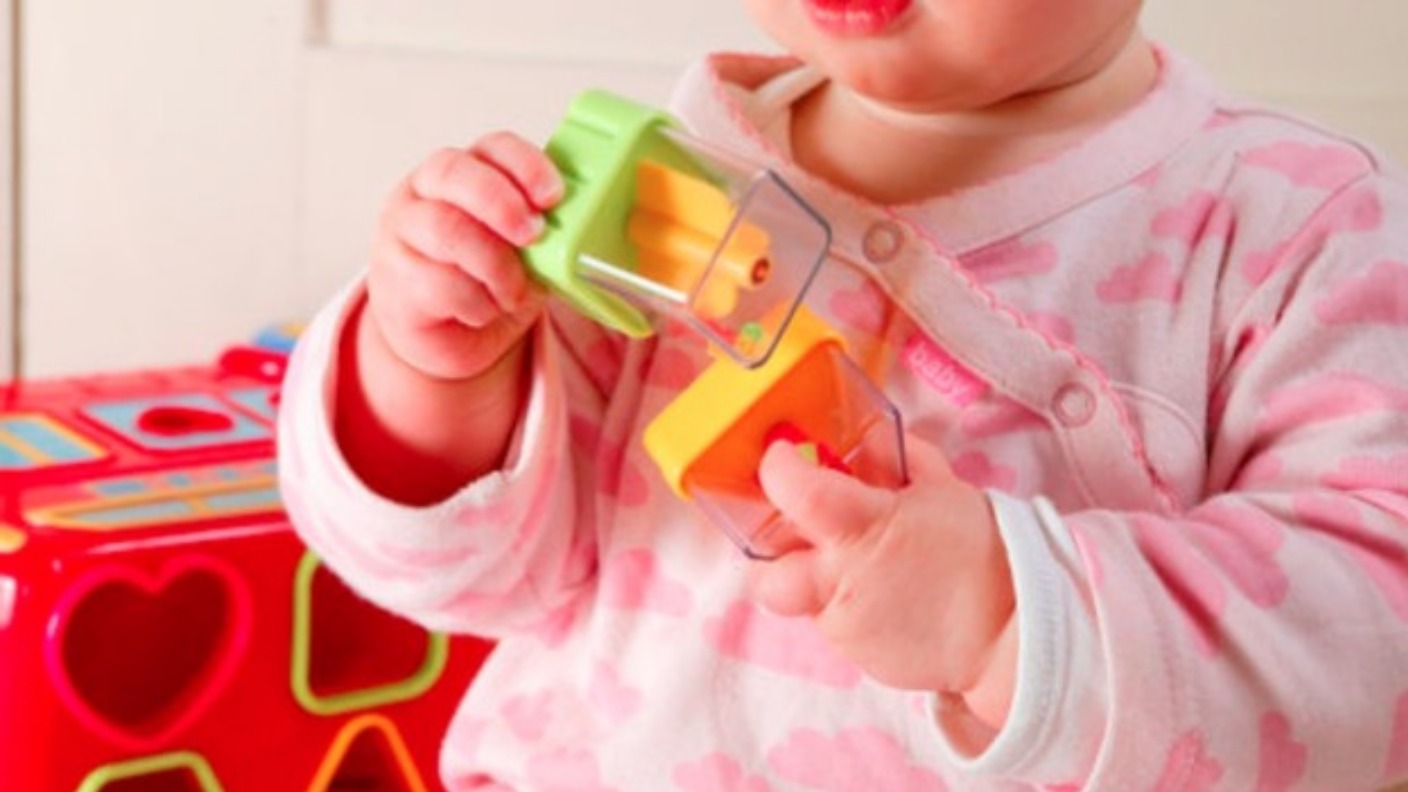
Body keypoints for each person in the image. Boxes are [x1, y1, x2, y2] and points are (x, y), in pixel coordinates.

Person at [277, 0, 1408, 787]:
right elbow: (471, 573)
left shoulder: (1299, 228)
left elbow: (1375, 656)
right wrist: (431, 368)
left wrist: (1007, 616)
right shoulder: (656, 201)